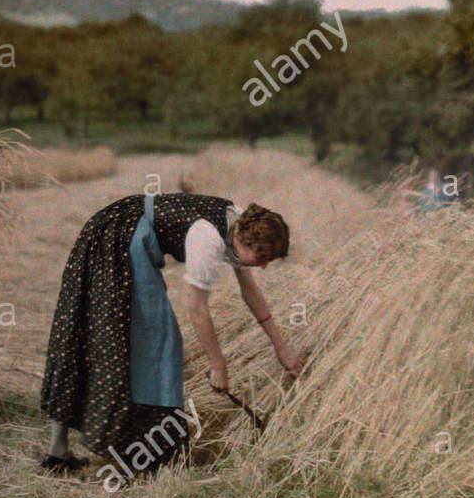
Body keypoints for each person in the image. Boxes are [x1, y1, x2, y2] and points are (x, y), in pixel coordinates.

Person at [39, 193, 303, 475]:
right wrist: (218, 366)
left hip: (118, 229)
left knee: (109, 335)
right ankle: (147, 454)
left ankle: (66, 452)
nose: (262, 266)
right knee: (154, 343)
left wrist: (281, 347)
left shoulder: (239, 223)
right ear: (243, 242)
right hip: (118, 238)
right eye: (262, 258)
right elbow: (198, 310)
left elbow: (249, 291)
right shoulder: (208, 238)